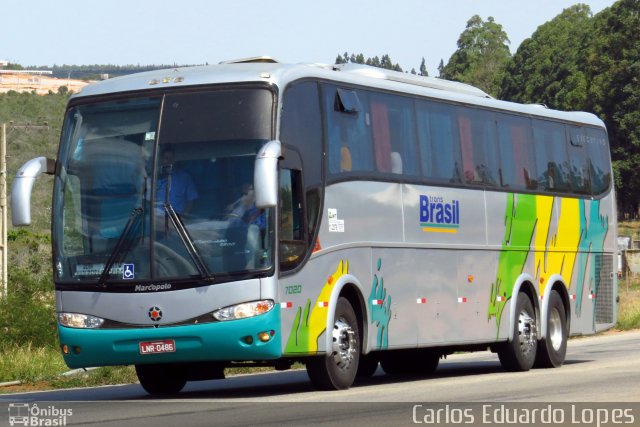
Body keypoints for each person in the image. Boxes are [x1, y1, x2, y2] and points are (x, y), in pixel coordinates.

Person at [155, 148, 198, 217]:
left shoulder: (185, 177)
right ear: (161, 159)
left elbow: (191, 200)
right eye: (166, 158)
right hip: (156, 220)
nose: (169, 161)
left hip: (177, 220)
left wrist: (184, 218)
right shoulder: (153, 177)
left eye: (171, 158)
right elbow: (147, 201)